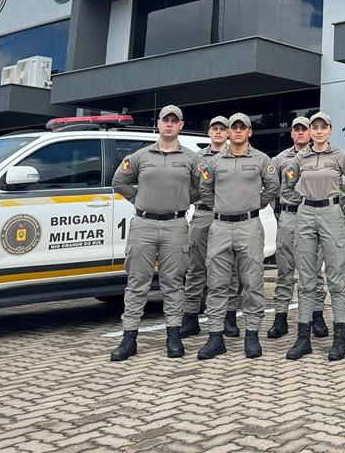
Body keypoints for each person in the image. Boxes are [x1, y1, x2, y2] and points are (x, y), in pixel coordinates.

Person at [110, 105, 202, 361]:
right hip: (144, 225)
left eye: (174, 120)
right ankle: (129, 338)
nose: (169, 124)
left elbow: (204, 187)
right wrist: (139, 199)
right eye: (165, 120)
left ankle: (173, 336)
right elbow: (119, 181)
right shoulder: (140, 156)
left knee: (173, 283)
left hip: (175, 226)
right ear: (158, 124)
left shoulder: (192, 158)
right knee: (137, 283)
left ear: (181, 125)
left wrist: (183, 198)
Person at [281, 112, 345, 361]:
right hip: (305, 214)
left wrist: (338, 198)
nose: (318, 131)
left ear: (330, 130)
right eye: (314, 127)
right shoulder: (301, 157)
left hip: (331, 213)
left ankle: (339, 340)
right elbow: (287, 183)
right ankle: (303, 339)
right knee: (306, 279)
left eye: (322, 127)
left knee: (336, 279)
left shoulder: (339, 156)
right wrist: (301, 198)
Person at [195, 113, 279, 360]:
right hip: (220, 227)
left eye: (243, 127)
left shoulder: (262, 159)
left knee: (252, 282)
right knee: (217, 283)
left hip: (249, 226)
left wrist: (253, 205)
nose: (239, 131)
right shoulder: (214, 162)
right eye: (235, 127)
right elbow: (205, 189)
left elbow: (272, 187)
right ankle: (215, 337)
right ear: (229, 132)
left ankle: (251, 335)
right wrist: (220, 207)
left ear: (250, 132)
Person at [180, 116, 242, 340]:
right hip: (204, 214)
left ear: (228, 133)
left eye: (222, 129)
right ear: (209, 132)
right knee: (195, 268)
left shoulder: (236, 156)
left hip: (228, 218)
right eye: (214, 128)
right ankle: (190, 316)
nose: (218, 132)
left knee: (230, 269)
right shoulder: (197, 158)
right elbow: (189, 186)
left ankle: (229, 316)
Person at [269, 117, 328, 340]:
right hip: (289, 216)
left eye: (305, 129)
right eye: (297, 129)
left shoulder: (321, 156)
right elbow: (270, 185)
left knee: (314, 269)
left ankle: (317, 315)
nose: (301, 133)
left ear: (311, 132)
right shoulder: (280, 159)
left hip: (313, 214)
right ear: (292, 133)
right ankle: (280, 318)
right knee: (284, 269)